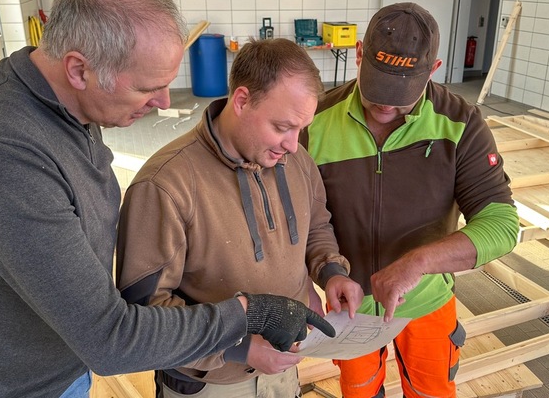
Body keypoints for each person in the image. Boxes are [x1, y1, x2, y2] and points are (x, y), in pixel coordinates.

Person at [0, 0, 335, 396]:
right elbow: (110, 338)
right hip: (8, 387)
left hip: (60, 365)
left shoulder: (69, 110)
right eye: (148, 87)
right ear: (79, 69)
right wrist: (246, 316)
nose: (164, 102)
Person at [115, 38, 364, 398]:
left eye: (301, 128)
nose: (293, 144)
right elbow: (143, 318)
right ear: (242, 100)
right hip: (210, 381)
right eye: (282, 127)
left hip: (284, 365)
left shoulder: (295, 160)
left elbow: (316, 225)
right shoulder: (165, 186)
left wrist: (331, 271)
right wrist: (240, 347)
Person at [302, 3, 520, 398]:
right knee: (359, 391)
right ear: (359, 54)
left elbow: (502, 226)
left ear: (433, 69)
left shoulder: (461, 124)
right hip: (350, 308)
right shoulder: (315, 122)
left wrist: (417, 263)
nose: (386, 105)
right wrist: (327, 273)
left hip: (427, 302)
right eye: (378, 86)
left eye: (401, 92)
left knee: (431, 392)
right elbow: (300, 219)